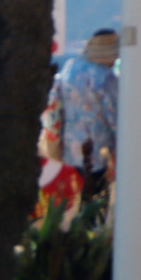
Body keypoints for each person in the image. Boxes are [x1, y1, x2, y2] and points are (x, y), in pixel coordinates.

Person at [48, 29, 121, 192]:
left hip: (68, 153)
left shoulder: (70, 67)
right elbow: (116, 122)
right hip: (97, 156)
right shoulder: (106, 78)